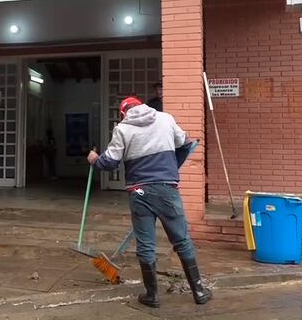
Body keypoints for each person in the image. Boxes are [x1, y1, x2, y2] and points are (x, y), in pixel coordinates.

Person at [86, 96, 211, 308]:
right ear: (143, 106)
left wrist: (94, 160)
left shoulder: (122, 129)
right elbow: (184, 143)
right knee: (181, 240)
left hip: (139, 192)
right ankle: (198, 290)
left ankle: (152, 296)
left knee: (146, 245)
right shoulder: (165, 119)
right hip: (167, 190)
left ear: (123, 113)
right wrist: (172, 166)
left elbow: (110, 162)